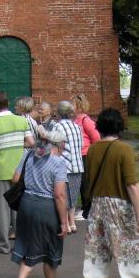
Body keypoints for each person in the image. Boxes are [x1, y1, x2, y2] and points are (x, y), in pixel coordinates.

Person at [83, 108, 139, 278]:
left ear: (99, 127)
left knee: (100, 251)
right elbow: (132, 185)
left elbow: (88, 180)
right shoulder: (123, 149)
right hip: (121, 207)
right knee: (134, 247)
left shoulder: (92, 150)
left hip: (98, 206)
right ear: (119, 127)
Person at [9, 125, 68, 278]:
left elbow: (15, 179)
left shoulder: (28, 155)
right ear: (57, 145)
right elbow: (59, 195)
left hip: (26, 204)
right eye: (64, 145)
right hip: (46, 208)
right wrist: (65, 222)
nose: (65, 148)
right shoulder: (58, 163)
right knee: (51, 249)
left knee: (28, 246)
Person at [0, 91, 34, 254]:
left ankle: (3, 245)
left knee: (3, 208)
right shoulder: (20, 120)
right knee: (18, 206)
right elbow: (31, 142)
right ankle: (20, 243)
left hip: (0, 170)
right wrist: (18, 146)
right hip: (19, 169)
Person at [55, 100, 84, 233]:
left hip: (63, 166)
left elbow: (55, 146)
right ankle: (72, 223)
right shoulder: (77, 127)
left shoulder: (58, 127)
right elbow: (82, 145)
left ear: (58, 112)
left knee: (63, 195)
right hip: (78, 165)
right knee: (73, 195)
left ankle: (65, 223)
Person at [71, 93, 100, 220]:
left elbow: (96, 138)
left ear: (79, 106)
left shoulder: (85, 120)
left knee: (85, 183)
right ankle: (83, 207)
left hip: (85, 155)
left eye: (72, 104)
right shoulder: (73, 120)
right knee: (78, 182)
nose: (70, 107)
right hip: (75, 155)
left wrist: (92, 154)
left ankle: (87, 210)